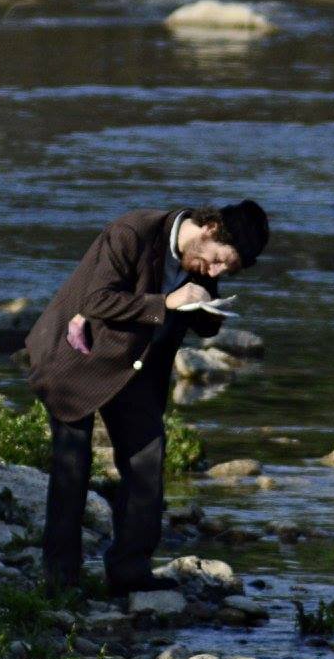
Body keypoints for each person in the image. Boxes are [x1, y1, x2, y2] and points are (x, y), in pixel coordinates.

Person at [24, 201, 270, 596]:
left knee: (147, 461)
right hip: (76, 357)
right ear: (208, 228)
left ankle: (129, 571)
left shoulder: (200, 263)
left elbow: (201, 323)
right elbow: (96, 300)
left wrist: (209, 308)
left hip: (136, 368)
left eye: (229, 269)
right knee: (73, 463)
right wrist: (168, 303)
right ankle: (60, 578)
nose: (218, 271)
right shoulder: (132, 233)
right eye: (219, 260)